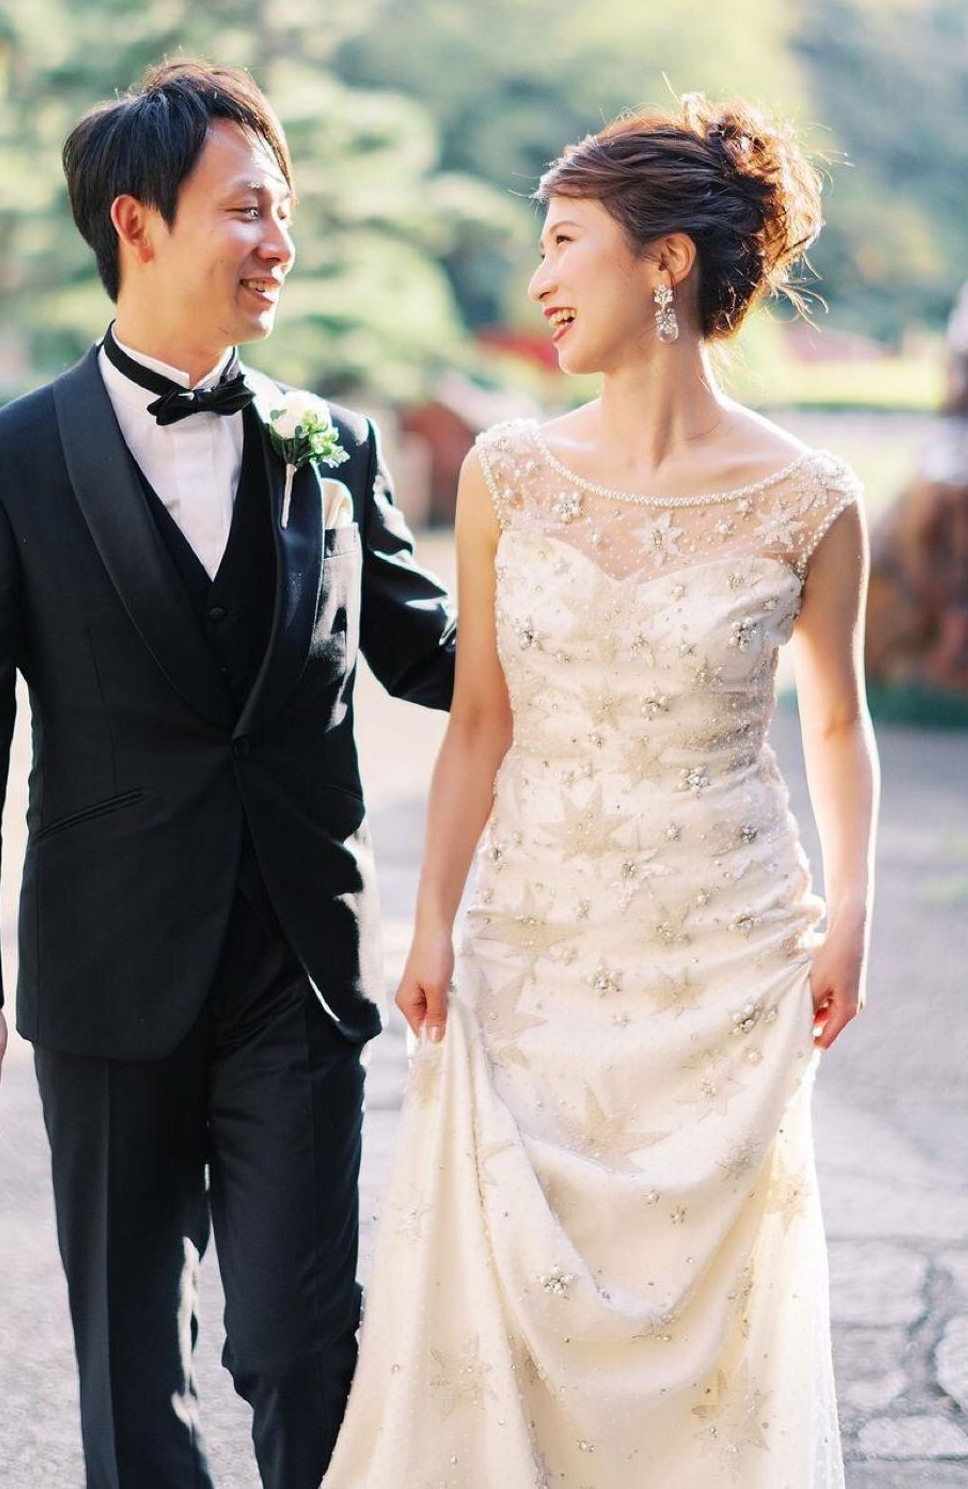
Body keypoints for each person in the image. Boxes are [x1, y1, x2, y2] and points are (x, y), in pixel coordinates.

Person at [0, 56, 455, 1489]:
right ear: (136, 225)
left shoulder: (333, 445)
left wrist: (620, 595)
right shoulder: (2, 466)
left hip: (299, 965)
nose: (280, 244)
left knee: (301, 1343)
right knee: (132, 1372)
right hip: (107, 973)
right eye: (248, 211)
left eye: (285, 213)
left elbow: (437, 657)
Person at [323, 94, 877, 1488]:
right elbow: (478, 726)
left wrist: (855, 910)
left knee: (712, 1334)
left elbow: (837, 723)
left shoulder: (812, 500)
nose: (541, 281)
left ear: (666, 262)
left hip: (726, 957)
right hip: (529, 947)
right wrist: (432, 919)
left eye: (566, 242)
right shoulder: (509, 474)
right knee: (503, 1300)